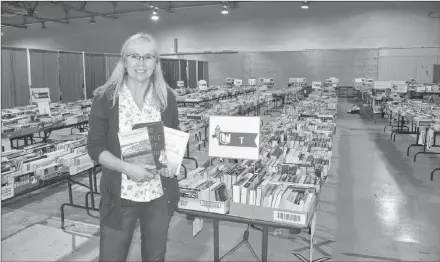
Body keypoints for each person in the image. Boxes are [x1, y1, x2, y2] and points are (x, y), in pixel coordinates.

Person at [87, 32, 180, 262]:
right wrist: (128, 168)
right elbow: (95, 147)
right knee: (111, 257)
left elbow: (173, 137)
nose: (141, 63)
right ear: (124, 61)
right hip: (120, 196)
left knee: (155, 256)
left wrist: (171, 162)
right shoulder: (106, 98)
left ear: (156, 63)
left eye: (148, 57)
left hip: (158, 194)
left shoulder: (166, 97)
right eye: (134, 56)